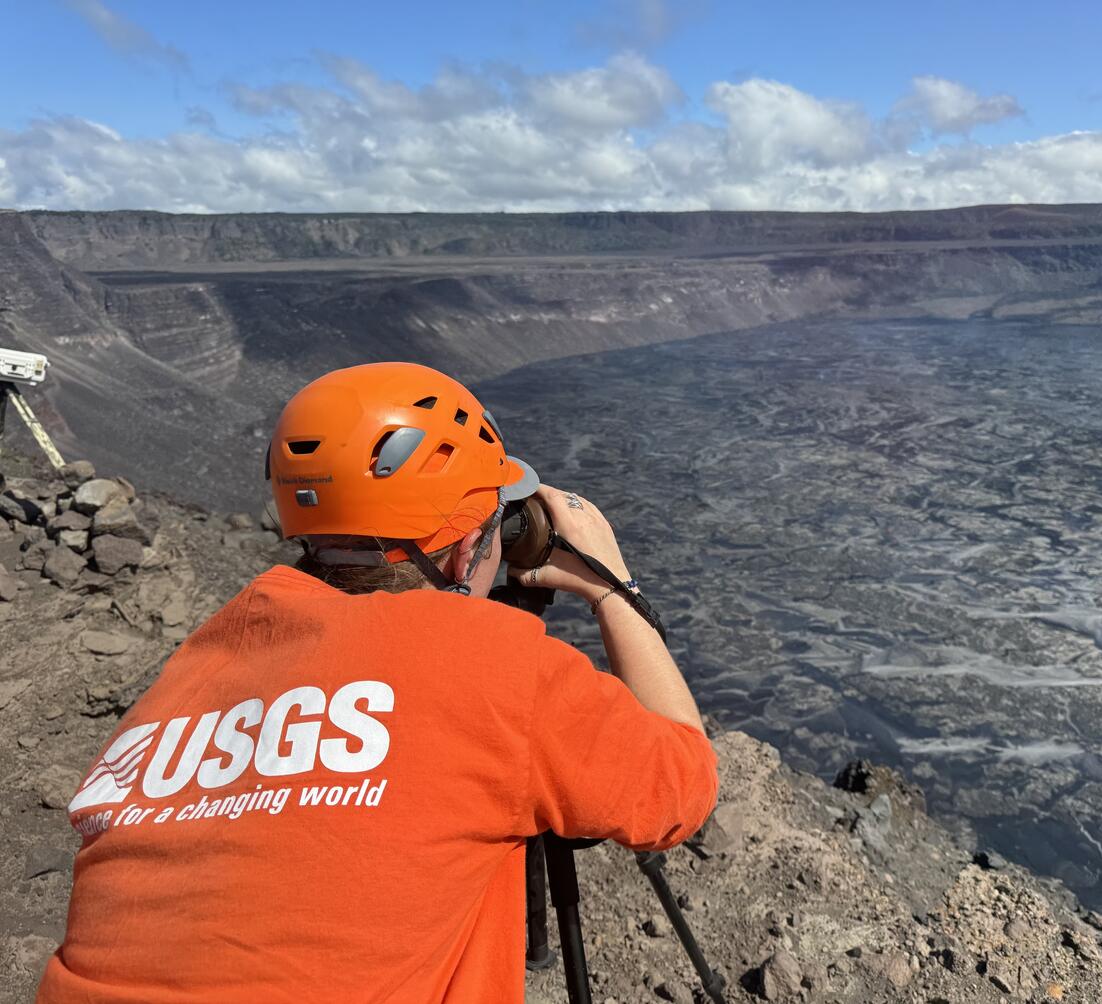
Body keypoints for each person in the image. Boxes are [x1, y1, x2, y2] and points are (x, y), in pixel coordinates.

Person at [38, 362, 718, 1003]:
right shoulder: (496, 665)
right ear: (465, 546)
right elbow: (681, 789)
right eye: (497, 526)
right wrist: (611, 587)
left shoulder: (204, 658)